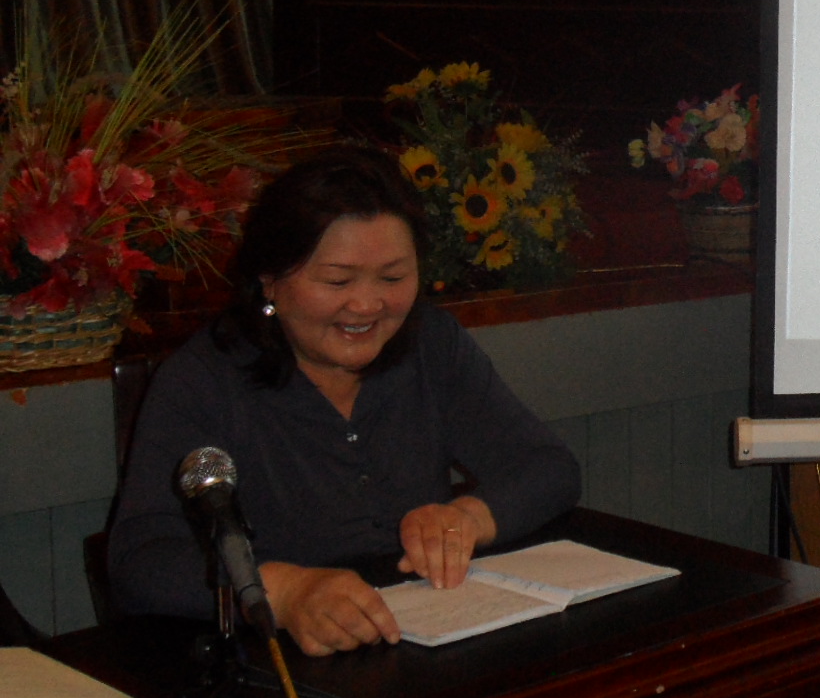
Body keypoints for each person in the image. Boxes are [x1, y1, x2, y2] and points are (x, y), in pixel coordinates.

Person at [108, 146, 581, 655]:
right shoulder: (203, 380)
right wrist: (283, 591)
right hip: (280, 662)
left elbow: (547, 466)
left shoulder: (431, 345)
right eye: (337, 280)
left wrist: (467, 517)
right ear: (270, 280)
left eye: (393, 278)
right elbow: (139, 560)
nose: (367, 305)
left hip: (426, 638)